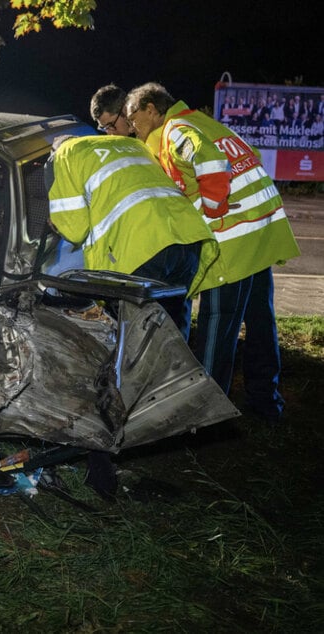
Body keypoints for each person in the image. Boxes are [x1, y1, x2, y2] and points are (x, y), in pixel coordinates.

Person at [124, 82, 301, 423]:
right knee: (261, 320)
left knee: (216, 324)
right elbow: (248, 155)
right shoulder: (204, 122)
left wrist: (213, 211)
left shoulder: (176, 129)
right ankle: (265, 400)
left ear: (150, 108)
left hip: (232, 237)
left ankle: (203, 414)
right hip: (258, 232)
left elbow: (210, 164)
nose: (133, 126)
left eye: (133, 117)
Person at [47, 134, 218, 340]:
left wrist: (55, 224)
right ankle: (177, 372)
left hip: (140, 249)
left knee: (134, 339)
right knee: (172, 330)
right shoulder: (131, 143)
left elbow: (75, 229)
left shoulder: (66, 154)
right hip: (188, 239)